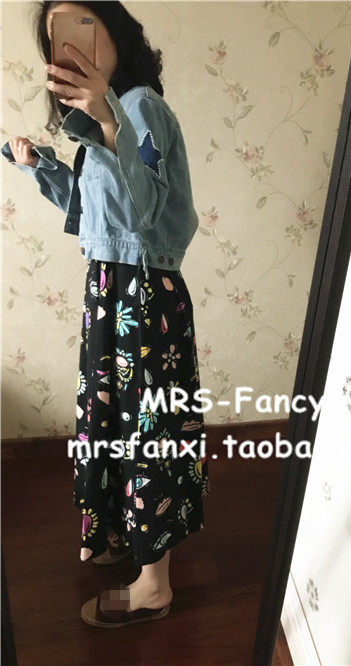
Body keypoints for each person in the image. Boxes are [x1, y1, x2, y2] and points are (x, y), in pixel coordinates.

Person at [1, 0, 209, 628]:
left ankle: (154, 586)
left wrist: (108, 118)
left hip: (144, 294)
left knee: (148, 432)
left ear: (116, 33)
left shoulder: (140, 107)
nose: (72, 47)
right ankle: (123, 535)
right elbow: (94, 218)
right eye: (57, 37)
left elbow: (146, 214)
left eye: (84, 28)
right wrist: (41, 167)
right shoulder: (98, 120)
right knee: (113, 420)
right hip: (110, 290)